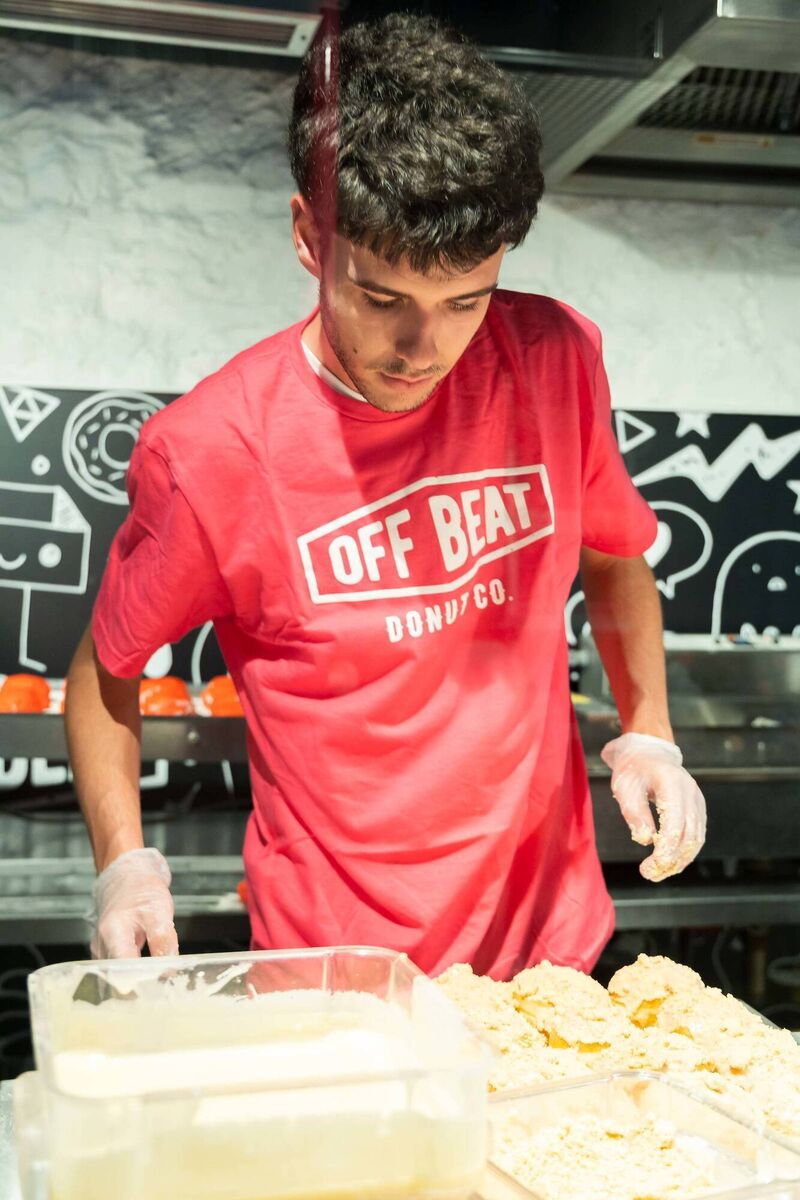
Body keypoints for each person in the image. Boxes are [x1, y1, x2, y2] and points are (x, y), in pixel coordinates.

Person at [65, 13, 705, 979]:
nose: (425, 351)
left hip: (550, 953)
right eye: (383, 299)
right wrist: (125, 864)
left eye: (466, 301)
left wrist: (648, 730)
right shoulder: (211, 453)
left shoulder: (556, 358)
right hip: (341, 968)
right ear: (307, 238)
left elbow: (614, 557)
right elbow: (103, 671)